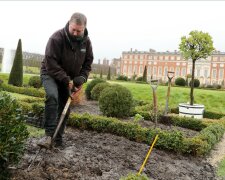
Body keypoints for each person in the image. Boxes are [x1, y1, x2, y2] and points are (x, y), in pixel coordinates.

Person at [38, 12, 94, 148]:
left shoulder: (86, 42)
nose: (75, 33)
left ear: (84, 28)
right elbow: (50, 63)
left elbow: (88, 62)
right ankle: (48, 136)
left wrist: (81, 78)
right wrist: (67, 80)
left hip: (68, 79)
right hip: (50, 73)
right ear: (69, 24)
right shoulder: (56, 38)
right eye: (73, 29)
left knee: (65, 106)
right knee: (52, 96)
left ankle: (57, 139)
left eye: (78, 31)